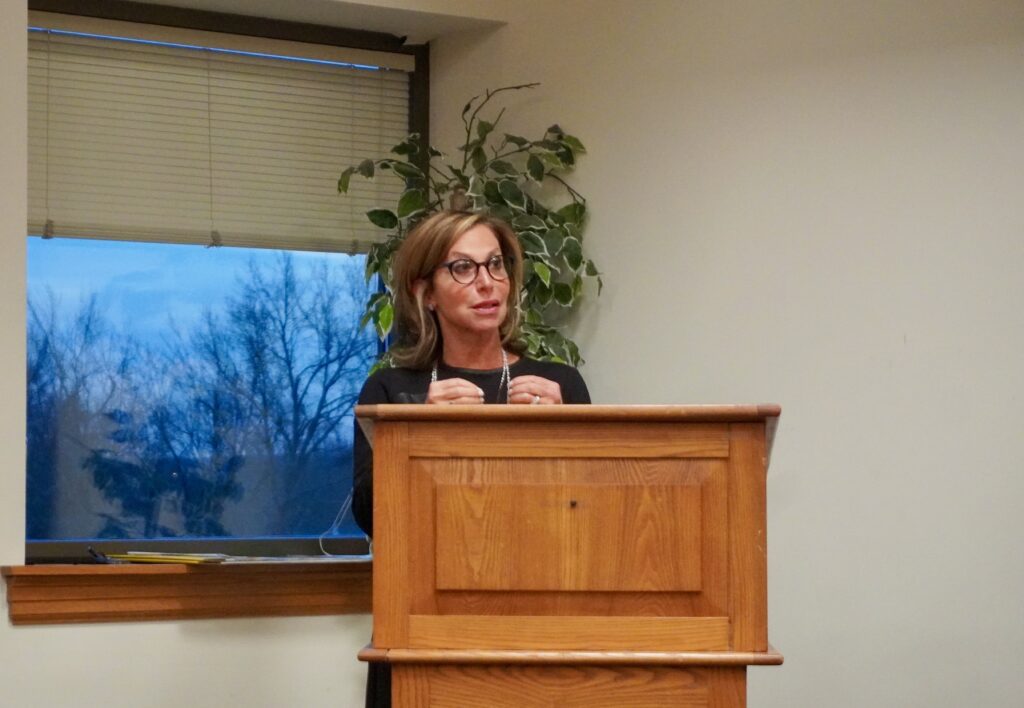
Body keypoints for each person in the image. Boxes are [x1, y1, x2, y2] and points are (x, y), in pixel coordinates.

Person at [351, 210, 591, 707]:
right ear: (426, 292)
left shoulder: (559, 384)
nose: (487, 282)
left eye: (495, 264)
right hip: (422, 627)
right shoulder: (391, 390)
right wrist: (418, 433)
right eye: (463, 268)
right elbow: (372, 517)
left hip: (537, 623)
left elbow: (588, 519)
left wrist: (561, 433)